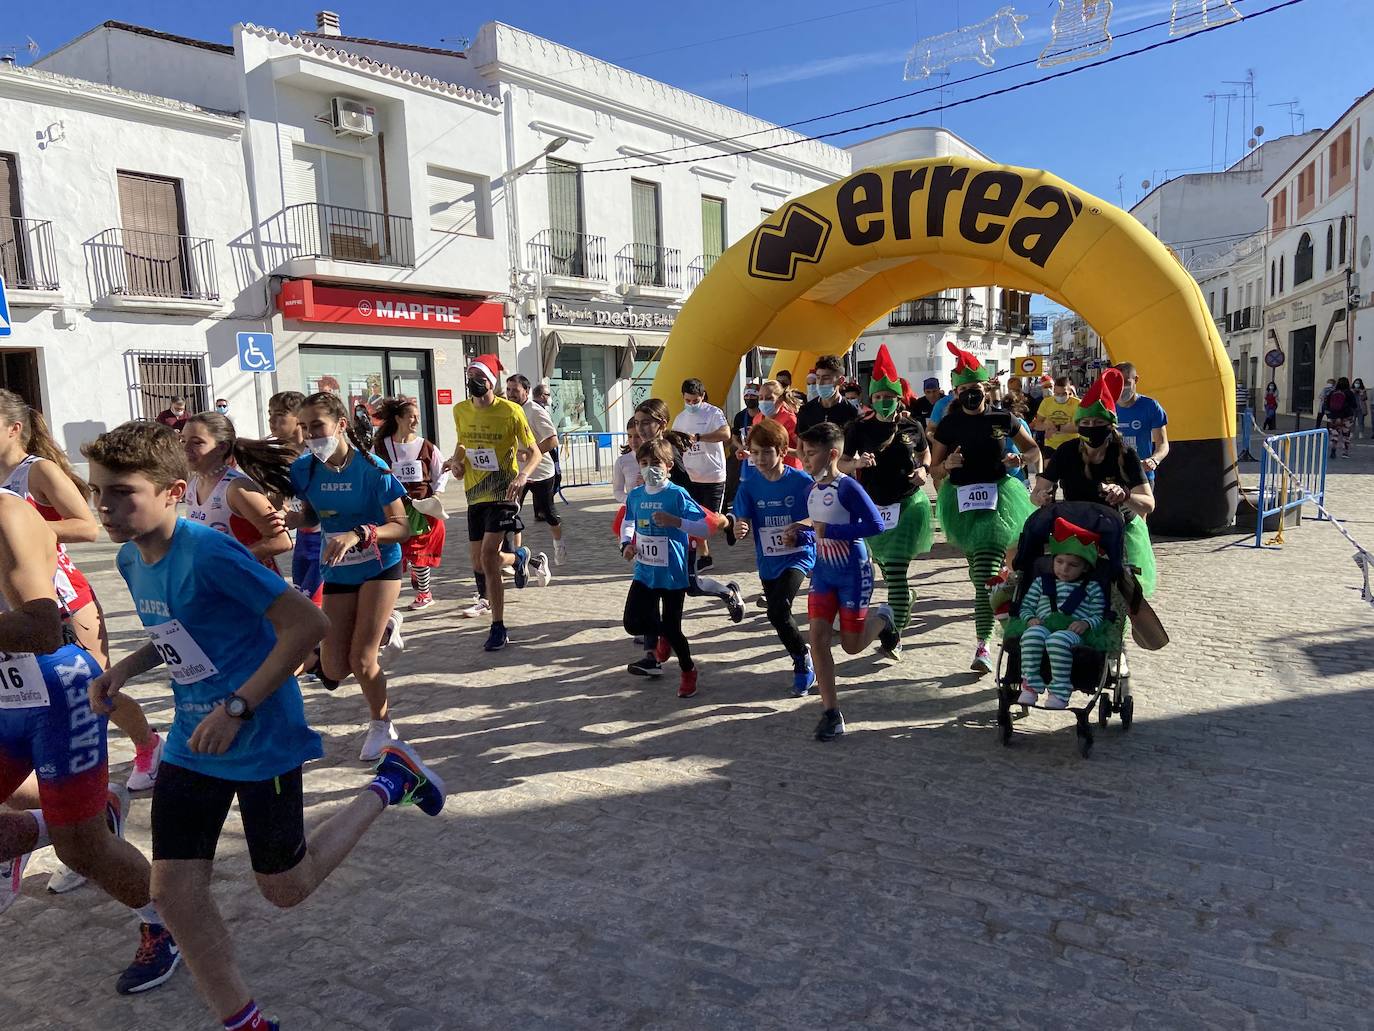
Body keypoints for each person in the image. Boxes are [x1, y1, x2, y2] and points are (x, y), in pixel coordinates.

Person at [83, 420, 445, 1031]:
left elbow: (308, 625)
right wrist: (126, 666)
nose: (106, 507)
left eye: (123, 493)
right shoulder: (128, 557)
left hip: (259, 733)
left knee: (285, 888)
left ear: (173, 491)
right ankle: (246, 1023)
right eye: (99, 492)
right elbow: (180, 632)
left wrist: (238, 707)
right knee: (173, 894)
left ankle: (390, 782)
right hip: (193, 743)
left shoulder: (210, 553)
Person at [0, 480, 179, 993]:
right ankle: (66, 820)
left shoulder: (8, 514)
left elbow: (39, 628)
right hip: (7, 691)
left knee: (83, 852)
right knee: (64, 823)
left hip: (57, 691)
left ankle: (164, 924)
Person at [0, 391, 163, 800]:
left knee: (97, 693)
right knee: (30, 706)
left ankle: (147, 744)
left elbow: (86, 526)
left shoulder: (37, 472)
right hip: (16, 602)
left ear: (13, 428)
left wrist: (24, 533)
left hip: (65, 600)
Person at [286, 393, 410, 760]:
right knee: (335, 668)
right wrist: (297, 520)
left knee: (361, 658)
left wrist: (360, 533)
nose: (310, 435)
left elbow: (402, 527)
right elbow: (312, 515)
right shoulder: (304, 469)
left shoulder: (373, 469)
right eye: (305, 428)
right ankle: (384, 626)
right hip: (338, 568)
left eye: (317, 427)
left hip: (380, 565)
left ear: (340, 424)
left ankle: (382, 725)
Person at [929, 342, 1039, 673]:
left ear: (986, 387)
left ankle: (983, 647)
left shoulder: (1003, 418)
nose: (969, 395)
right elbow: (933, 470)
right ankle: (1011, 621)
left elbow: (1033, 451)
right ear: (955, 392)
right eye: (962, 390)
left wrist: (1018, 459)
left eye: (974, 389)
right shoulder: (948, 426)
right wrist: (947, 464)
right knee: (983, 576)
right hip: (962, 503)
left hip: (999, 499)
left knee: (983, 575)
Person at [796, 422, 895, 742]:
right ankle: (831, 713)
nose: (805, 459)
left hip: (854, 571)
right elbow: (819, 523)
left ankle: (884, 619)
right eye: (803, 452)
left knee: (852, 647)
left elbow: (876, 525)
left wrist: (833, 532)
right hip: (824, 573)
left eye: (811, 453)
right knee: (818, 638)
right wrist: (799, 529)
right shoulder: (811, 489)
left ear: (833, 454)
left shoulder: (848, 487)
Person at [840, 345, 933, 659]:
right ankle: (906, 601)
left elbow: (925, 455)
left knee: (894, 570)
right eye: (878, 397)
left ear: (898, 398)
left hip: (908, 506)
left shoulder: (912, 427)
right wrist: (857, 465)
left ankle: (895, 633)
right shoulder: (859, 428)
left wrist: (923, 470)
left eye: (888, 396)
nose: (883, 402)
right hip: (872, 508)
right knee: (886, 568)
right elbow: (841, 463)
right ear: (871, 399)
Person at [449, 355, 546, 651]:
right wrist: (456, 463)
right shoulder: (460, 410)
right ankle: (520, 557)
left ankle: (498, 626)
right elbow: (463, 443)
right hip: (474, 493)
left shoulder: (511, 411)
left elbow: (534, 452)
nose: (473, 381)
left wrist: (523, 477)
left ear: (490, 381)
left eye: (479, 376)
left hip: (503, 492)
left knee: (490, 557)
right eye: (470, 375)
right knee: (478, 562)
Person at [1032, 369, 1157, 598]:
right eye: (1086, 422)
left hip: (1118, 532)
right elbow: (1038, 491)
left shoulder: (1125, 454)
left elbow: (1149, 504)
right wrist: (1040, 497)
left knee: (1114, 597)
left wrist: (1125, 495)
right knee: (1074, 595)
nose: (1091, 426)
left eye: (1097, 421)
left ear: (1110, 425)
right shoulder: (1066, 452)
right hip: (1075, 533)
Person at [633, 399, 744, 623]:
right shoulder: (644, 450)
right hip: (653, 529)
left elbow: (687, 492)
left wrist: (682, 517)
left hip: (678, 527)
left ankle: (729, 592)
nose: (641, 428)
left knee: (690, 585)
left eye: (646, 422)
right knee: (652, 577)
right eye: (637, 423)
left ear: (661, 424)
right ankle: (652, 633)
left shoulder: (669, 453)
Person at [619, 438, 714, 697]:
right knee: (632, 622)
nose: (650, 468)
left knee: (674, 629)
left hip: (672, 573)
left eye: (656, 463)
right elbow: (627, 522)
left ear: (669, 466)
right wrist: (626, 544)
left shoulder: (677, 494)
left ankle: (688, 670)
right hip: (644, 571)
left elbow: (705, 527)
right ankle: (664, 637)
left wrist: (676, 521)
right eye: (645, 463)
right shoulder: (636, 495)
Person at [732, 418, 817, 696]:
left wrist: (799, 528)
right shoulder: (749, 485)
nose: (759, 458)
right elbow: (740, 519)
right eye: (754, 452)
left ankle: (803, 664)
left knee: (777, 609)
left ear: (782, 451)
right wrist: (739, 526)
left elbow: (818, 518)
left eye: (766, 452)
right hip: (768, 559)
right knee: (779, 617)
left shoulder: (802, 482)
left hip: (799, 555)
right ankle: (800, 651)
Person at [1016, 517, 1108, 709]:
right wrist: (1030, 618)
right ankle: (1030, 685)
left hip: (1074, 633)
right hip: (1043, 625)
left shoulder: (1091, 588)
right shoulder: (1042, 582)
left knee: (1057, 640)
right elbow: (1026, 607)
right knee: (1031, 635)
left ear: (1085, 567)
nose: (1064, 569)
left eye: (1072, 565)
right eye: (1059, 562)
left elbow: (1099, 614)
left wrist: (1086, 623)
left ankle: (1059, 690)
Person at [182, 413, 294, 569]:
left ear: (222, 447)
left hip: (251, 585)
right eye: (183, 440)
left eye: (197, 442)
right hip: (218, 583)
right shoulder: (193, 483)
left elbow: (281, 541)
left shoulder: (237, 488)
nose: (186, 448)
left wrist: (228, 561)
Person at [372, 397, 448, 610]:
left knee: (418, 551)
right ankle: (386, 595)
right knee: (392, 550)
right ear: (398, 419)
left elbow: (440, 472)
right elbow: (369, 472)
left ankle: (425, 593)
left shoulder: (426, 446)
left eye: (417, 416)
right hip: (391, 508)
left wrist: (438, 494)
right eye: (411, 417)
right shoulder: (380, 447)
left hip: (420, 508)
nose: (415, 421)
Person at [670, 379, 731, 570]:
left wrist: (698, 438)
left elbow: (726, 434)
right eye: (687, 400)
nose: (691, 404)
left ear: (702, 397)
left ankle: (729, 523)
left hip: (713, 475)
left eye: (695, 401)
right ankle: (705, 556)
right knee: (694, 518)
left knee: (711, 520)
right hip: (691, 475)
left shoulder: (713, 413)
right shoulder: (680, 418)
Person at [268, 391, 322, 606]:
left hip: (326, 542)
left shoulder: (318, 454)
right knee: (308, 607)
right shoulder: (275, 455)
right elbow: (277, 501)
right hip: (302, 543)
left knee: (313, 610)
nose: (272, 421)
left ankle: (384, 625)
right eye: (270, 414)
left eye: (280, 414)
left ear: (300, 418)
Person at [506, 375, 565, 569]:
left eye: (515, 390)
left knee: (548, 513)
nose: (511, 394)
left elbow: (552, 440)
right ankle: (516, 556)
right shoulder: (507, 410)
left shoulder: (535, 411)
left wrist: (531, 453)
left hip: (541, 472)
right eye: (508, 390)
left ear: (526, 390)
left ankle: (558, 545)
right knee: (511, 513)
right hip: (518, 473)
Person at [1113, 363, 1170, 485]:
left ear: (1136, 379)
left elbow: (1163, 444)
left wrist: (1154, 460)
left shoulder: (1151, 406)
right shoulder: (1106, 407)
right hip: (1113, 475)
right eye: (1117, 383)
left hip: (1142, 476)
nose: (1122, 388)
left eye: (1126, 383)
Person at [795, 354, 860, 435]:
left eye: (826, 378)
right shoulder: (806, 410)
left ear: (841, 380)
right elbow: (800, 445)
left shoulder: (852, 412)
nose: (820, 383)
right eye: (818, 377)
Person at [724, 381, 760, 513]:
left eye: (753, 396)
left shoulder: (763, 414)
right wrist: (740, 446)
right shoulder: (740, 416)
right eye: (747, 396)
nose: (749, 399)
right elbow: (734, 436)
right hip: (745, 454)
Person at [1032, 375, 1080, 454]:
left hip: (1071, 445)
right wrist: (1046, 426)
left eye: (1064, 394)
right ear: (1054, 391)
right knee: (1049, 466)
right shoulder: (1046, 402)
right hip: (1051, 445)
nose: (1060, 396)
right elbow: (1037, 424)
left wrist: (1055, 427)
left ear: (1069, 392)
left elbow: (1079, 427)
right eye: (1057, 394)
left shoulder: (1077, 403)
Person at [1323, 376, 1359, 458]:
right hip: (1347, 417)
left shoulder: (1332, 392)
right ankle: (1345, 453)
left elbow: (1327, 404)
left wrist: (1330, 414)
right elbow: (1354, 405)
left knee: (1334, 434)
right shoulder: (1349, 393)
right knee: (1346, 435)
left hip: (1334, 417)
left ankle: (1333, 450)